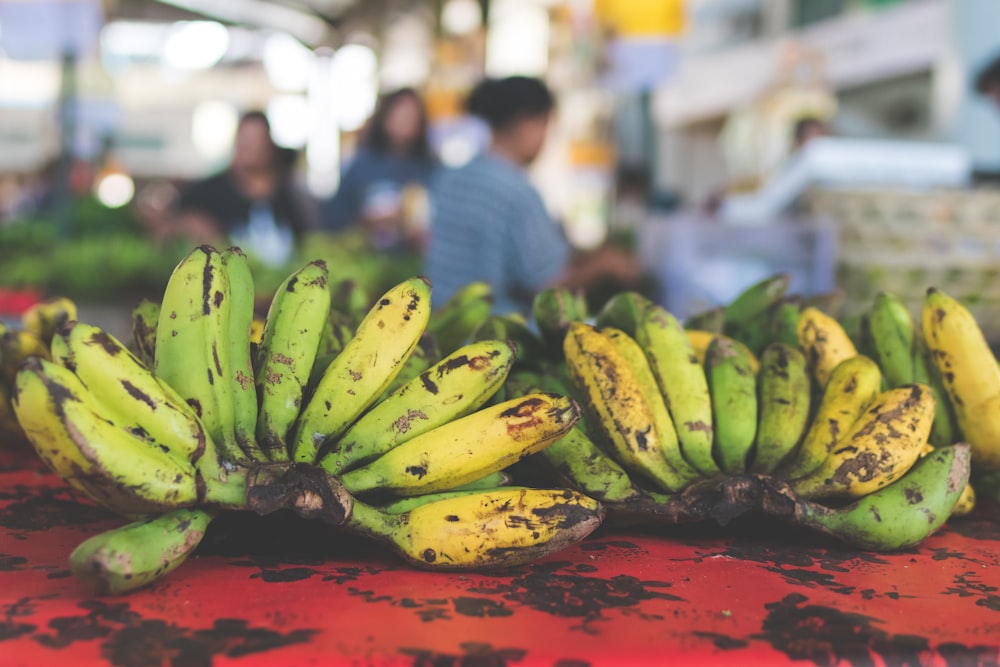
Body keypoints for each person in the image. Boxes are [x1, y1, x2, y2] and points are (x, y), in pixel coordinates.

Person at [425, 76, 637, 316]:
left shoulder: (451, 177)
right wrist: (604, 264)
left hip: (439, 327)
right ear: (528, 124)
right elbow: (546, 287)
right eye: (547, 126)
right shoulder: (517, 192)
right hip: (494, 338)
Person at [159, 111, 314, 266]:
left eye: (255, 140)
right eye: (244, 139)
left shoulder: (290, 196)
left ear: (269, 147)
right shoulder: (208, 191)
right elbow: (169, 225)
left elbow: (307, 239)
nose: (248, 146)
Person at [322, 88, 436, 251]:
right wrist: (370, 221)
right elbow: (334, 219)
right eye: (401, 115)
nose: (406, 122)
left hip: (416, 262)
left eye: (412, 117)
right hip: (369, 261)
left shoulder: (430, 169)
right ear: (385, 117)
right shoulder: (362, 166)